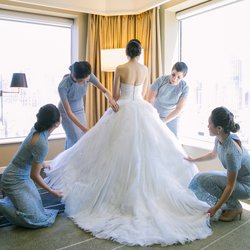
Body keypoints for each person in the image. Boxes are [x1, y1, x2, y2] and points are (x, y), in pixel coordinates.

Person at [45, 39, 212, 246]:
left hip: (122, 108)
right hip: (140, 108)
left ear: (126, 53)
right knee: (144, 153)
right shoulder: (145, 69)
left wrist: (114, 100)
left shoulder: (120, 68)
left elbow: (115, 94)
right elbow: (142, 94)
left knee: (111, 150)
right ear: (140, 53)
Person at [0, 104, 63, 228]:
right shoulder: (42, 143)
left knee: (40, 211)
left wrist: (43, 164)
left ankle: (12, 199)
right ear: (56, 123)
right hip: (13, 179)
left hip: (22, 176)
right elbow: (34, 175)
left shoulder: (37, 129)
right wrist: (52, 191)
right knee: (35, 219)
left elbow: (30, 153)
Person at [185, 106, 250, 221]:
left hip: (246, 186)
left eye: (209, 123)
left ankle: (235, 207)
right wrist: (193, 159)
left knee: (205, 180)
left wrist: (215, 208)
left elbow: (231, 185)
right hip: (238, 180)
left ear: (219, 128)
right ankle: (231, 205)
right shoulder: (221, 137)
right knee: (201, 177)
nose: (207, 126)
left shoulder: (231, 151)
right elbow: (212, 155)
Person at [58, 61, 119, 149]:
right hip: (66, 112)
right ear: (75, 78)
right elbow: (69, 112)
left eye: (87, 79)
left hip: (80, 109)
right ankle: (68, 162)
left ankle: (75, 161)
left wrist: (110, 98)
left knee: (81, 138)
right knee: (74, 138)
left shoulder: (88, 75)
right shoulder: (63, 86)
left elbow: (104, 90)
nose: (86, 82)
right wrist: (84, 129)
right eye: (83, 81)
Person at [148, 61, 189, 137]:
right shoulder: (160, 80)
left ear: (183, 77)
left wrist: (164, 121)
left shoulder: (184, 87)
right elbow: (150, 100)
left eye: (178, 77)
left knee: (173, 140)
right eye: (173, 74)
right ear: (171, 71)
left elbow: (179, 109)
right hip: (157, 114)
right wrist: (153, 116)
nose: (174, 79)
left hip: (173, 116)